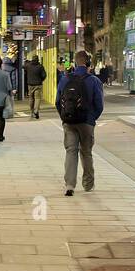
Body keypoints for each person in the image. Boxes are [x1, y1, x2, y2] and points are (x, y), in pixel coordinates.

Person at [58, 50, 104, 196]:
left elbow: (58, 101)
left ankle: (70, 185)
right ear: (88, 63)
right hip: (87, 122)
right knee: (86, 152)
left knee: (71, 151)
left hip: (69, 121)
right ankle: (88, 184)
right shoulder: (94, 81)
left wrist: (65, 117)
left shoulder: (65, 79)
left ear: (75, 62)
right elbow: (99, 105)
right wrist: (91, 119)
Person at [24, 54, 47, 119]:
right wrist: (41, 80)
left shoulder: (28, 66)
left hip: (30, 85)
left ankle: (31, 111)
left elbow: (23, 66)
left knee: (31, 98)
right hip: (38, 85)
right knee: (37, 98)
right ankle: (36, 111)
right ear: (38, 60)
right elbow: (44, 75)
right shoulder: (40, 66)